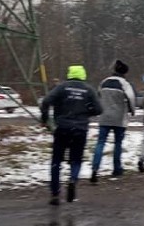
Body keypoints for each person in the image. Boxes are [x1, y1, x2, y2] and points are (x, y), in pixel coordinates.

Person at [40, 64, 102, 205]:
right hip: (80, 129)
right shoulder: (89, 89)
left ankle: (55, 194)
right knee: (76, 160)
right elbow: (99, 109)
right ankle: (73, 180)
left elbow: (46, 101)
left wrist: (45, 119)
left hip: (62, 128)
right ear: (83, 75)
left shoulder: (62, 87)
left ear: (69, 74)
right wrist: (86, 112)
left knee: (56, 160)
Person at [90, 59, 136, 183]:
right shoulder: (124, 84)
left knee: (100, 143)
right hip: (119, 118)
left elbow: (98, 96)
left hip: (104, 117)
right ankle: (117, 169)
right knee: (117, 144)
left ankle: (95, 169)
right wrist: (132, 110)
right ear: (124, 73)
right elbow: (131, 98)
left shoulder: (104, 82)